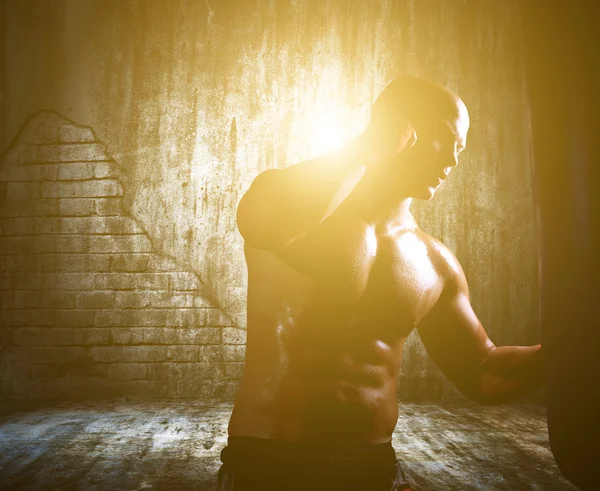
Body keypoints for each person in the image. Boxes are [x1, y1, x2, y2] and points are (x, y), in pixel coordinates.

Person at [215, 76, 544, 491]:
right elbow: (270, 226)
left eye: (462, 147)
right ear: (400, 128)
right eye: (446, 140)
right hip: (270, 460)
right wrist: (371, 147)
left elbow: (480, 370)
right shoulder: (284, 197)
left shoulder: (435, 262)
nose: (454, 161)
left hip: (372, 467)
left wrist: (565, 354)